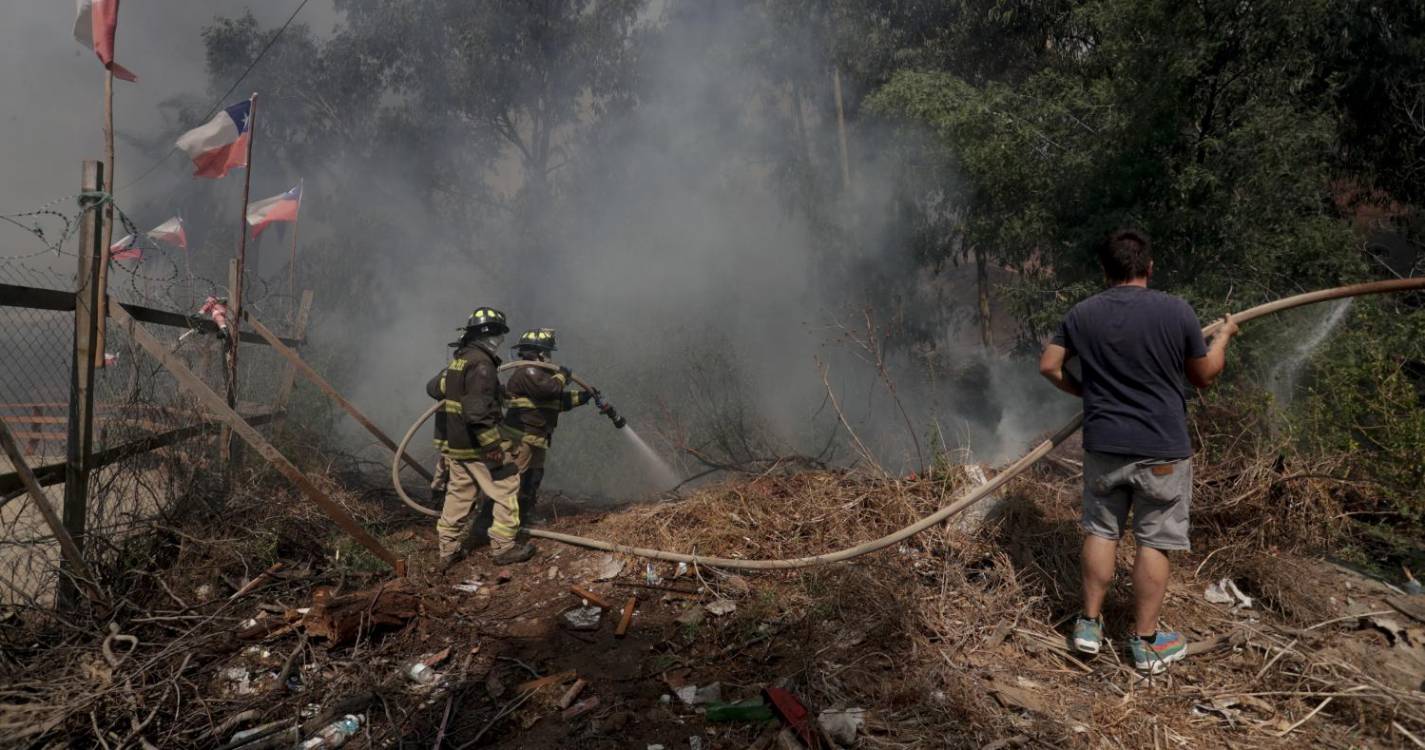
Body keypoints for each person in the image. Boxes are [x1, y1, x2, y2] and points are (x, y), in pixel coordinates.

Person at [1038, 229, 1239, 674]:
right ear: (1149, 267)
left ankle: (1088, 627)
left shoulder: (1083, 313)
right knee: (1155, 540)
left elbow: (1049, 366)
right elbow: (1204, 374)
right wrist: (1223, 337)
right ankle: (1145, 643)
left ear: (1105, 270)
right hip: (1161, 450)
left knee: (1101, 531)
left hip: (1105, 444)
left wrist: (1085, 392)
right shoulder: (1176, 311)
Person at [426, 307, 536, 571]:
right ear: (490, 334)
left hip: (457, 443)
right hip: (477, 444)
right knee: (508, 484)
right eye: (499, 334)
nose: (499, 340)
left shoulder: (460, 360)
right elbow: (476, 411)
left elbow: (444, 390)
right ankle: (503, 546)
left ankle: (448, 550)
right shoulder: (483, 364)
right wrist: (493, 447)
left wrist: (497, 394)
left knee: (459, 494)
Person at [502, 328, 594, 523]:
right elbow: (549, 391)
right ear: (539, 353)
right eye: (548, 352)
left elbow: (555, 403)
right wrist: (562, 376)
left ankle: (526, 513)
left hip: (538, 437)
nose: (550, 357)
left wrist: (584, 396)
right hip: (520, 437)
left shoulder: (541, 375)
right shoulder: (528, 371)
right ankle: (498, 522)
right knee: (512, 480)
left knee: (533, 478)